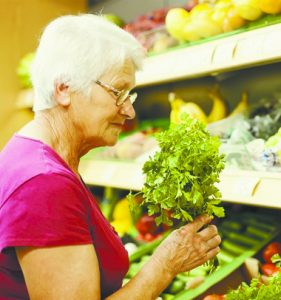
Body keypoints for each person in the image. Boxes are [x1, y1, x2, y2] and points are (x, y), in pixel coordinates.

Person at [0, 14, 221, 299]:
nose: (129, 111)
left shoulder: (32, 154)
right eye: (118, 93)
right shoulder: (44, 184)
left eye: (130, 95)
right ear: (64, 89)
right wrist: (164, 266)